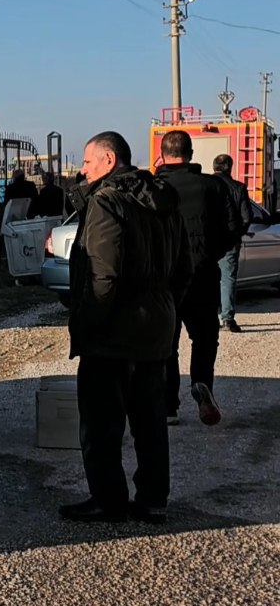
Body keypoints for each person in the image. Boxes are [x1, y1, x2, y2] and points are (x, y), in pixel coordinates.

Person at [60, 131, 191, 524]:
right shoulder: (165, 201)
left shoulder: (106, 203)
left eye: (87, 161)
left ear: (109, 160)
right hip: (155, 330)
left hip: (113, 335)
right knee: (150, 421)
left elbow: (104, 277)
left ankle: (108, 499)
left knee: (101, 425)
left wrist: (83, 324)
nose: (82, 170)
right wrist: (165, 308)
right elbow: (185, 269)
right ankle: (153, 500)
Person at [153, 131, 235, 426]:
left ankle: (168, 406)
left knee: (167, 342)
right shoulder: (212, 186)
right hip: (202, 272)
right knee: (204, 337)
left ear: (163, 154)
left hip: (165, 279)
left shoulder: (155, 187)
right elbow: (232, 226)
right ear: (190, 153)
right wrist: (211, 252)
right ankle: (202, 385)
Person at [211, 154, 252, 333]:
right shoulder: (239, 188)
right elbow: (247, 217)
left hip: (208, 241)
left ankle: (209, 317)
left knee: (208, 279)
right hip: (230, 241)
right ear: (229, 167)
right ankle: (227, 319)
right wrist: (238, 233)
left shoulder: (206, 185)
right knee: (227, 279)